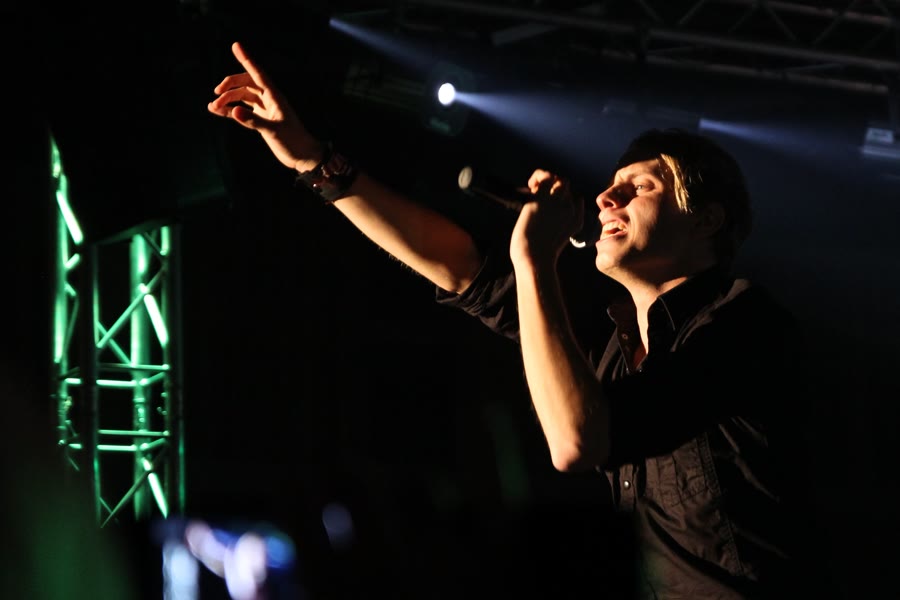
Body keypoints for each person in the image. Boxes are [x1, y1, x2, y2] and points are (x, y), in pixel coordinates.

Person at [208, 41, 820, 599]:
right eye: (611, 185)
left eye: (641, 186)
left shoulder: (746, 325)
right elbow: (458, 267)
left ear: (707, 220)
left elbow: (577, 442)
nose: (607, 198)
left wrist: (533, 261)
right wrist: (313, 161)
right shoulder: (613, 340)